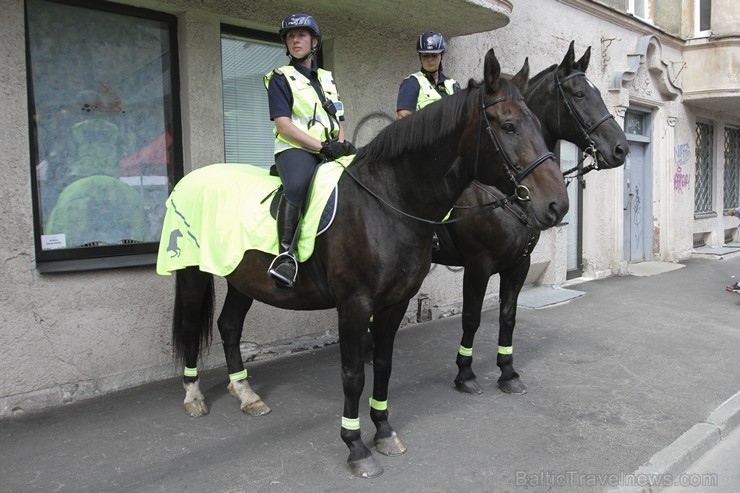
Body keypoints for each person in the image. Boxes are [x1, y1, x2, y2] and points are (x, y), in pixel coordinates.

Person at [264, 13, 355, 288]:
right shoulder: (280, 78)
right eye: (290, 36)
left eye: (301, 35)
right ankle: (286, 256)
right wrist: (322, 147)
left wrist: (340, 143)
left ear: (314, 41)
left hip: (328, 149)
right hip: (295, 151)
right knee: (299, 186)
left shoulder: (327, 78)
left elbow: (337, 119)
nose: (295, 40)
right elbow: (283, 126)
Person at [396, 31, 461, 120]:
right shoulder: (411, 83)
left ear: (441, 56)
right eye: (425, 55)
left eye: (434, 55)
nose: (430, 60)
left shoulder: (453, 84)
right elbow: (403, 117)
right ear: (420, 57)